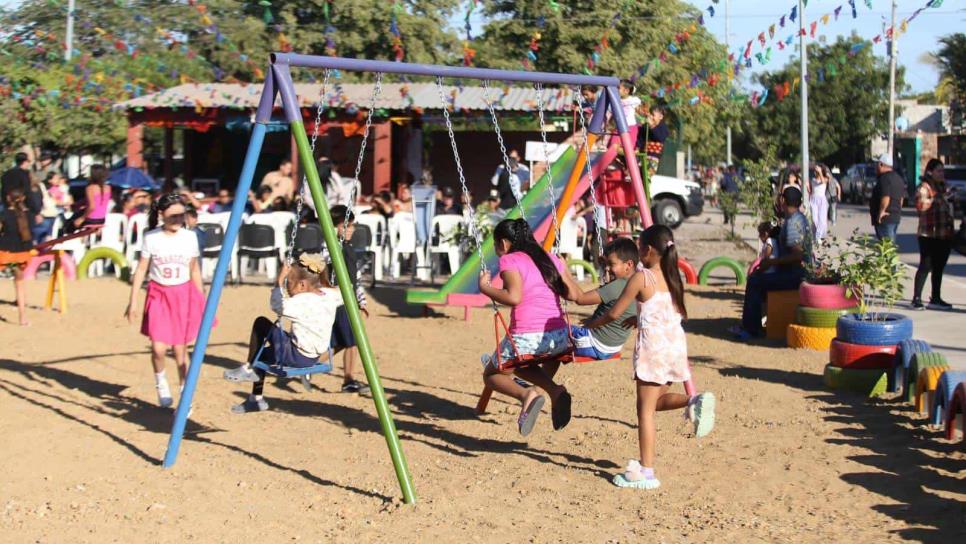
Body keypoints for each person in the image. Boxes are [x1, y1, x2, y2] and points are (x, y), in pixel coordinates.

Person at [582, 225, 715, 489]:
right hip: (674, 346)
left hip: (653, 348)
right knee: (655, 402)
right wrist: (639, 317)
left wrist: (590, 324)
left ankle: (647, 471)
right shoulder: (673, 275)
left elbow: (612, 313)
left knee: (644, 412)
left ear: (649, 250)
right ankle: (694, 400)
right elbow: (665, 309)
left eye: (641, 246)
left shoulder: (642, 278)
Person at [478, 218, 574, 436]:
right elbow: (573, 293)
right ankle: (555, 391)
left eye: (495, 246)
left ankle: (526, 395)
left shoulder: (510, 260)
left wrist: (485, 288)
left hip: (528, 338)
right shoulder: (550, 258)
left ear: (503, 243)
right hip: (558, 338)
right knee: (524, 364)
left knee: (492, 374)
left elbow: (514, 297)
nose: (496, 251)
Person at [223, 253, 343, 413]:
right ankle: (256, 399)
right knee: (261, 355)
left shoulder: (303, 301)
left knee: (261, 323)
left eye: (289, 283)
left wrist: (279, 281)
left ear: (302, 285)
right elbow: (343, 293)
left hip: (295, 355)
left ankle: (248, 368)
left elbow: (278, 305)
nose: (287, 287)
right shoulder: (330, 296)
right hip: (312, 358)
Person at [125, 193, 207, 408]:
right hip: (159, 294)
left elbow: (194, 269)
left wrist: (201, 299)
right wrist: (133, 300)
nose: (178, 220)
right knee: (158, 349)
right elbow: (142, 268)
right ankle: (161, 381)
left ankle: (184, 396)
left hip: (182, 295)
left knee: (180, 351)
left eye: (181, 216)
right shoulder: (152, 238)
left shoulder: (189, 237)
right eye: (173, 216)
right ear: (161, 215)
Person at [734, 186, 808, 340]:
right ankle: (755, 322)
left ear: (783, 201)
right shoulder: (799, 218)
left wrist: (772, 262)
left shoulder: (793, 223)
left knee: (755, 281)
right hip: (794, 273)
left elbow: (798, 255)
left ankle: (750, 329)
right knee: (759, 279)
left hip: (794, 276)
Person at [566, 238, 639, 360]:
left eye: (611, 264)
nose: (607, 268)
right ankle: (545, 379)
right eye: (606, 265)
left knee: (554, 332)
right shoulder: (637, 282)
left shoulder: (618, 285)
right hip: (613, 346)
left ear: (629, 265)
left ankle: (541, 378)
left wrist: (564, 270)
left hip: (594, 343)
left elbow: (579, 299)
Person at [326, 205, 371, 393]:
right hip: (340, 301)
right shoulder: (331, 249)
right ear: (335, 227)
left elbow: (356, 278)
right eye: (347, 226)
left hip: (349, 300)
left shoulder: (348, 248)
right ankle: (349, 380)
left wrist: (361, 300)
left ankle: (307, 367)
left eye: (353, 225)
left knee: (341, 342)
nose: (351, 229)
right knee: (353, 341)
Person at [912, 159, 954, 310]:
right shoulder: (924, 187)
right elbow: (920, 206)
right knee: (925, 265)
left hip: (944, 233)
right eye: (939, 171)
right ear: (930, 172)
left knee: (939, 267)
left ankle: (936, 297)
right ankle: (916, 298)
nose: (942, 174)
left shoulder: (944, 187)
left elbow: (950, 207)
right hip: (928, 234)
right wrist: (937, 199)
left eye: (943, 171)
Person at [0, 188, 34, 326]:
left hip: (5, 252)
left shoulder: (4, 214)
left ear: (9, 199)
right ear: (23, 198)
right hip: (22, 254)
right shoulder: (28, 215)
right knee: (19, 285)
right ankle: (22, 318)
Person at [870, 153, 905, 243]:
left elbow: (886, 197)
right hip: (895, 217)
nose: (875, 166)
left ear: (881, 164)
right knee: (890, 244)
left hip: (885, 219)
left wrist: (881, 212)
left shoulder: (884, 179)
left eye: (877, 164)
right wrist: (897, 210)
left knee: (886, 247)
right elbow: (901, 199)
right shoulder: (898, 178)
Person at [72, 164, 112, 229]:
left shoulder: (90, 188)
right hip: (102, 219)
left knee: (72, 221)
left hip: (91, 219)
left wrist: (82, 218)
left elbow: (92, 207)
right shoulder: (108, 188)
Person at [637, 105, 669, 178]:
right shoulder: (646, 126)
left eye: (653, 115)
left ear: (660, 117)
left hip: (653, 159)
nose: (651, 117)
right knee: (638, 174)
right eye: (650, 114)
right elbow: (640, 138)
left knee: (646, 177)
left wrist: (652, 126)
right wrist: (638, 147)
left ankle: (645, 187)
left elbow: (659, 137)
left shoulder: (663, 127)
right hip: (642, 156)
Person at [28, 173, 58, 243]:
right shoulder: (41, 186)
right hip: (51, 212)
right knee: (47, 238)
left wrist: (37, 213)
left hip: (43, 214)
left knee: (36, 239)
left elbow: (36, 201)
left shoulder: (33, 188)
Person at [809, 164, 830, 241]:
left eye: (818, 169)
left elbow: (823, 182)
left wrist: (820, 172)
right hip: (813, 199)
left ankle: (818, 236)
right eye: (816, 170)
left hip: (822, 200)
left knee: (822, 220)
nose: (816, 171)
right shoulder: (813, 179)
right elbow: (811, 190)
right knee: (814, 219)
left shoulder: (826, 178)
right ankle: (816, 234)